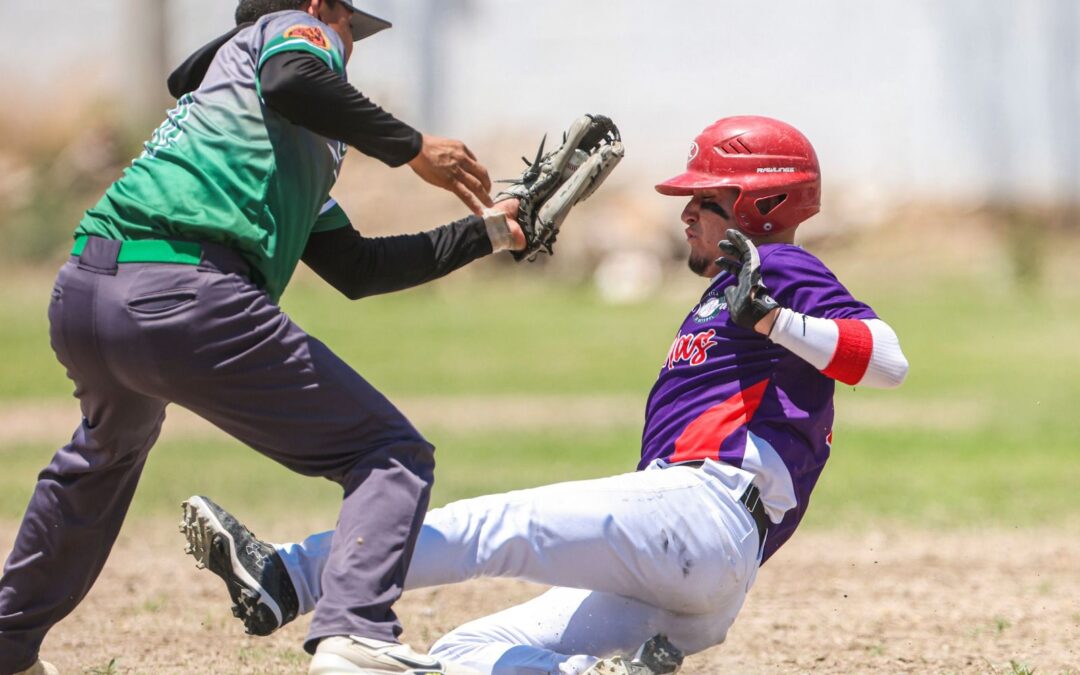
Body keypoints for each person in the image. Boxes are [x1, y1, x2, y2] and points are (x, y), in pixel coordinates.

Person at [180, 115, 911, 675]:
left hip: (705, 514)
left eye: (705, 199)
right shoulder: (732, 292)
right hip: (700, 574)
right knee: (472, 649)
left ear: (762, 203)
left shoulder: (778, 266)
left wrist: (776, 316)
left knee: (496, 524)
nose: (686, 213)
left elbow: (887, 358)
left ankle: (291, 574)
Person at [0, 1, 531, 674]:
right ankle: (355, 633)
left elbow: (357, 268)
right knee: (388, 450)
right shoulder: (287, 36)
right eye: (348, 28)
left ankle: (7, 643)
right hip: (181, 293)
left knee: (102, 457)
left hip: (86, 289)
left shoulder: (265, 130)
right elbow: (293, 76)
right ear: (318, 8)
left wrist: (489, 232)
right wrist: (412, 147)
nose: (347, 48)